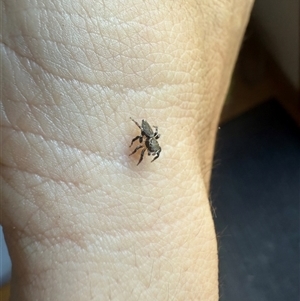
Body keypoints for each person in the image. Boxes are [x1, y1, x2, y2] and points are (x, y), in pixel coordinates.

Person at [1, 0, 254, 300]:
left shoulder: (151, 143)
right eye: (148, 145)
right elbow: (149, 138)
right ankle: (131, 243)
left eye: (149, 146)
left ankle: (127, 243)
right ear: (147, 140)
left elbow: (154, 142)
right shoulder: (144, 138)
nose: (147, 147)